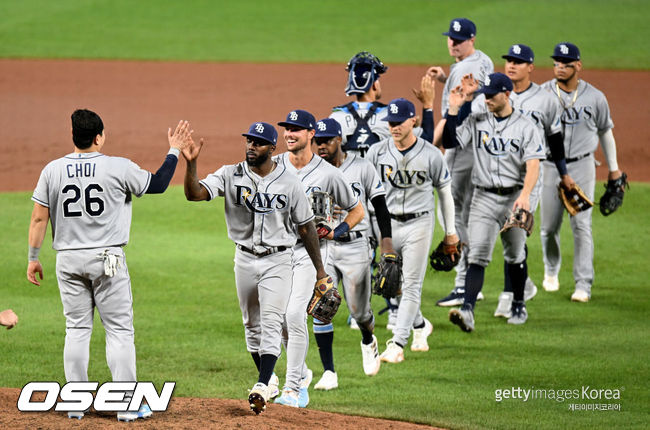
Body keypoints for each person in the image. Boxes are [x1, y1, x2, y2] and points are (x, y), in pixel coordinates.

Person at [27, 109, 191, 421]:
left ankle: (75, 402)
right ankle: (127, 404)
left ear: (74, 136)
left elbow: (38, 217)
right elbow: (156, 185)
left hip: (68, 260)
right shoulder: (118, 167)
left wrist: (33, 259)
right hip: (108, 259)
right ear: (99, 136)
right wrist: (174, 150)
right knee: (118, 330)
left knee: (76, 328)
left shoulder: (53, 170)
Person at [182, 121, 330, 415]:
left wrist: (320, 272)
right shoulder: (230, 173)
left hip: (278, 259)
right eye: (249, 141)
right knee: (251, 324)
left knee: (273, 321)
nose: (251, 146)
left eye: (258, 143)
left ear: (271, 148)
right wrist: (192, 164)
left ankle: (261, 385)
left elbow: (307, 228)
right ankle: (270, 377)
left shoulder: (290, 183)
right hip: (244, 258)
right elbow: (194, 194)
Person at [462, 44, 571, 318]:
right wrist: (458, 105)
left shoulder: (544, 101)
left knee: (515, 243)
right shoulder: (483, 108)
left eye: (518, 61)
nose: (512, 64)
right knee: (480, 250)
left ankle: (514, 299)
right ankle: (473, 307)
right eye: (508, 60)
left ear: (530, 67)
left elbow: (553, 144)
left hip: (523, 184)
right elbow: (455, 134)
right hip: (486, 189)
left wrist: (563, 175)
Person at [273, 110, 364, 406]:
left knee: (294, 315)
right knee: (281, 321)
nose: (289, 134)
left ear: (311, 134)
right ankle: (301, 373)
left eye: (296, 129)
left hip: (310, 255)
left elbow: (357, 210)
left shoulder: (329, 173)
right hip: (278, 253)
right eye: (287, 129)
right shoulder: (272, 166)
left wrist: (337, 231)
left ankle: (294, 388)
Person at [442, 73, 545, 332]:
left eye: (492, 94)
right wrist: (455, 109)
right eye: (484, 94)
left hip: (514, 198)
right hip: (483, 197)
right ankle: (467, 311)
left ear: (507, 93)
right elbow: (450, 141)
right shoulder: (477, 121)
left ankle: (519, 303)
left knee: (514, 254)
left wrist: (525, 195)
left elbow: (534, 165)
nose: (486, 98)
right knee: (476, 253)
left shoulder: (526, 126)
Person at [365, 98, 458, 363]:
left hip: (420, 223)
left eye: (399, 122)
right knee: (394, 285)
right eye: (391, 123)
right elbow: (366, 192)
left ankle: (397, 343)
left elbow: (445, 193)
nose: (394, 127)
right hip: (387, 225)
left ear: (413, 121)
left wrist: (450, 231)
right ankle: (419, 326)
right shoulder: (377, 153)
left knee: (412, 283)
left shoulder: (431, 154)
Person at [311, 118, 395, 387]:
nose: (321, 146)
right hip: (323, 246)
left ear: (340, 140)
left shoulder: (362, 167)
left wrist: (387, 244)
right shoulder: (312, 170)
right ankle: (329, 372)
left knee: (359, 311)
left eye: (327, 141)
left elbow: (380, 207)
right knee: (322, 304)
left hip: (356, 245)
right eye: (318, 141)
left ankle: (368, 339)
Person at [540, 42, 625, 302]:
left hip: (583, 165)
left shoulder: (595, 97)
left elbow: (605, 131)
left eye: (566, 63)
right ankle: (551, 269)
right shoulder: (542, 94)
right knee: (548, 227)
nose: (560, 68)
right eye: (557, 63)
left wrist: (614, 169)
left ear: (578, 65)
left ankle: (583, 284)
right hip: (549, 165)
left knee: (581, 225)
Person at [429, 18, 494, 307]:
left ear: (472, 39)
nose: (453, 43)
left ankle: (465, 282)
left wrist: (429, 146)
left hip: (461, 146)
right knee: (464, 213)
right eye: (450, 38)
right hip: (478, 145)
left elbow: (455, 113)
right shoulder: (482, 61)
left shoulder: (467, 69)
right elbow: (476, 94)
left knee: (451, 217)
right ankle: (474, 281)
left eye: (459, 39)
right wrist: (446, 79)